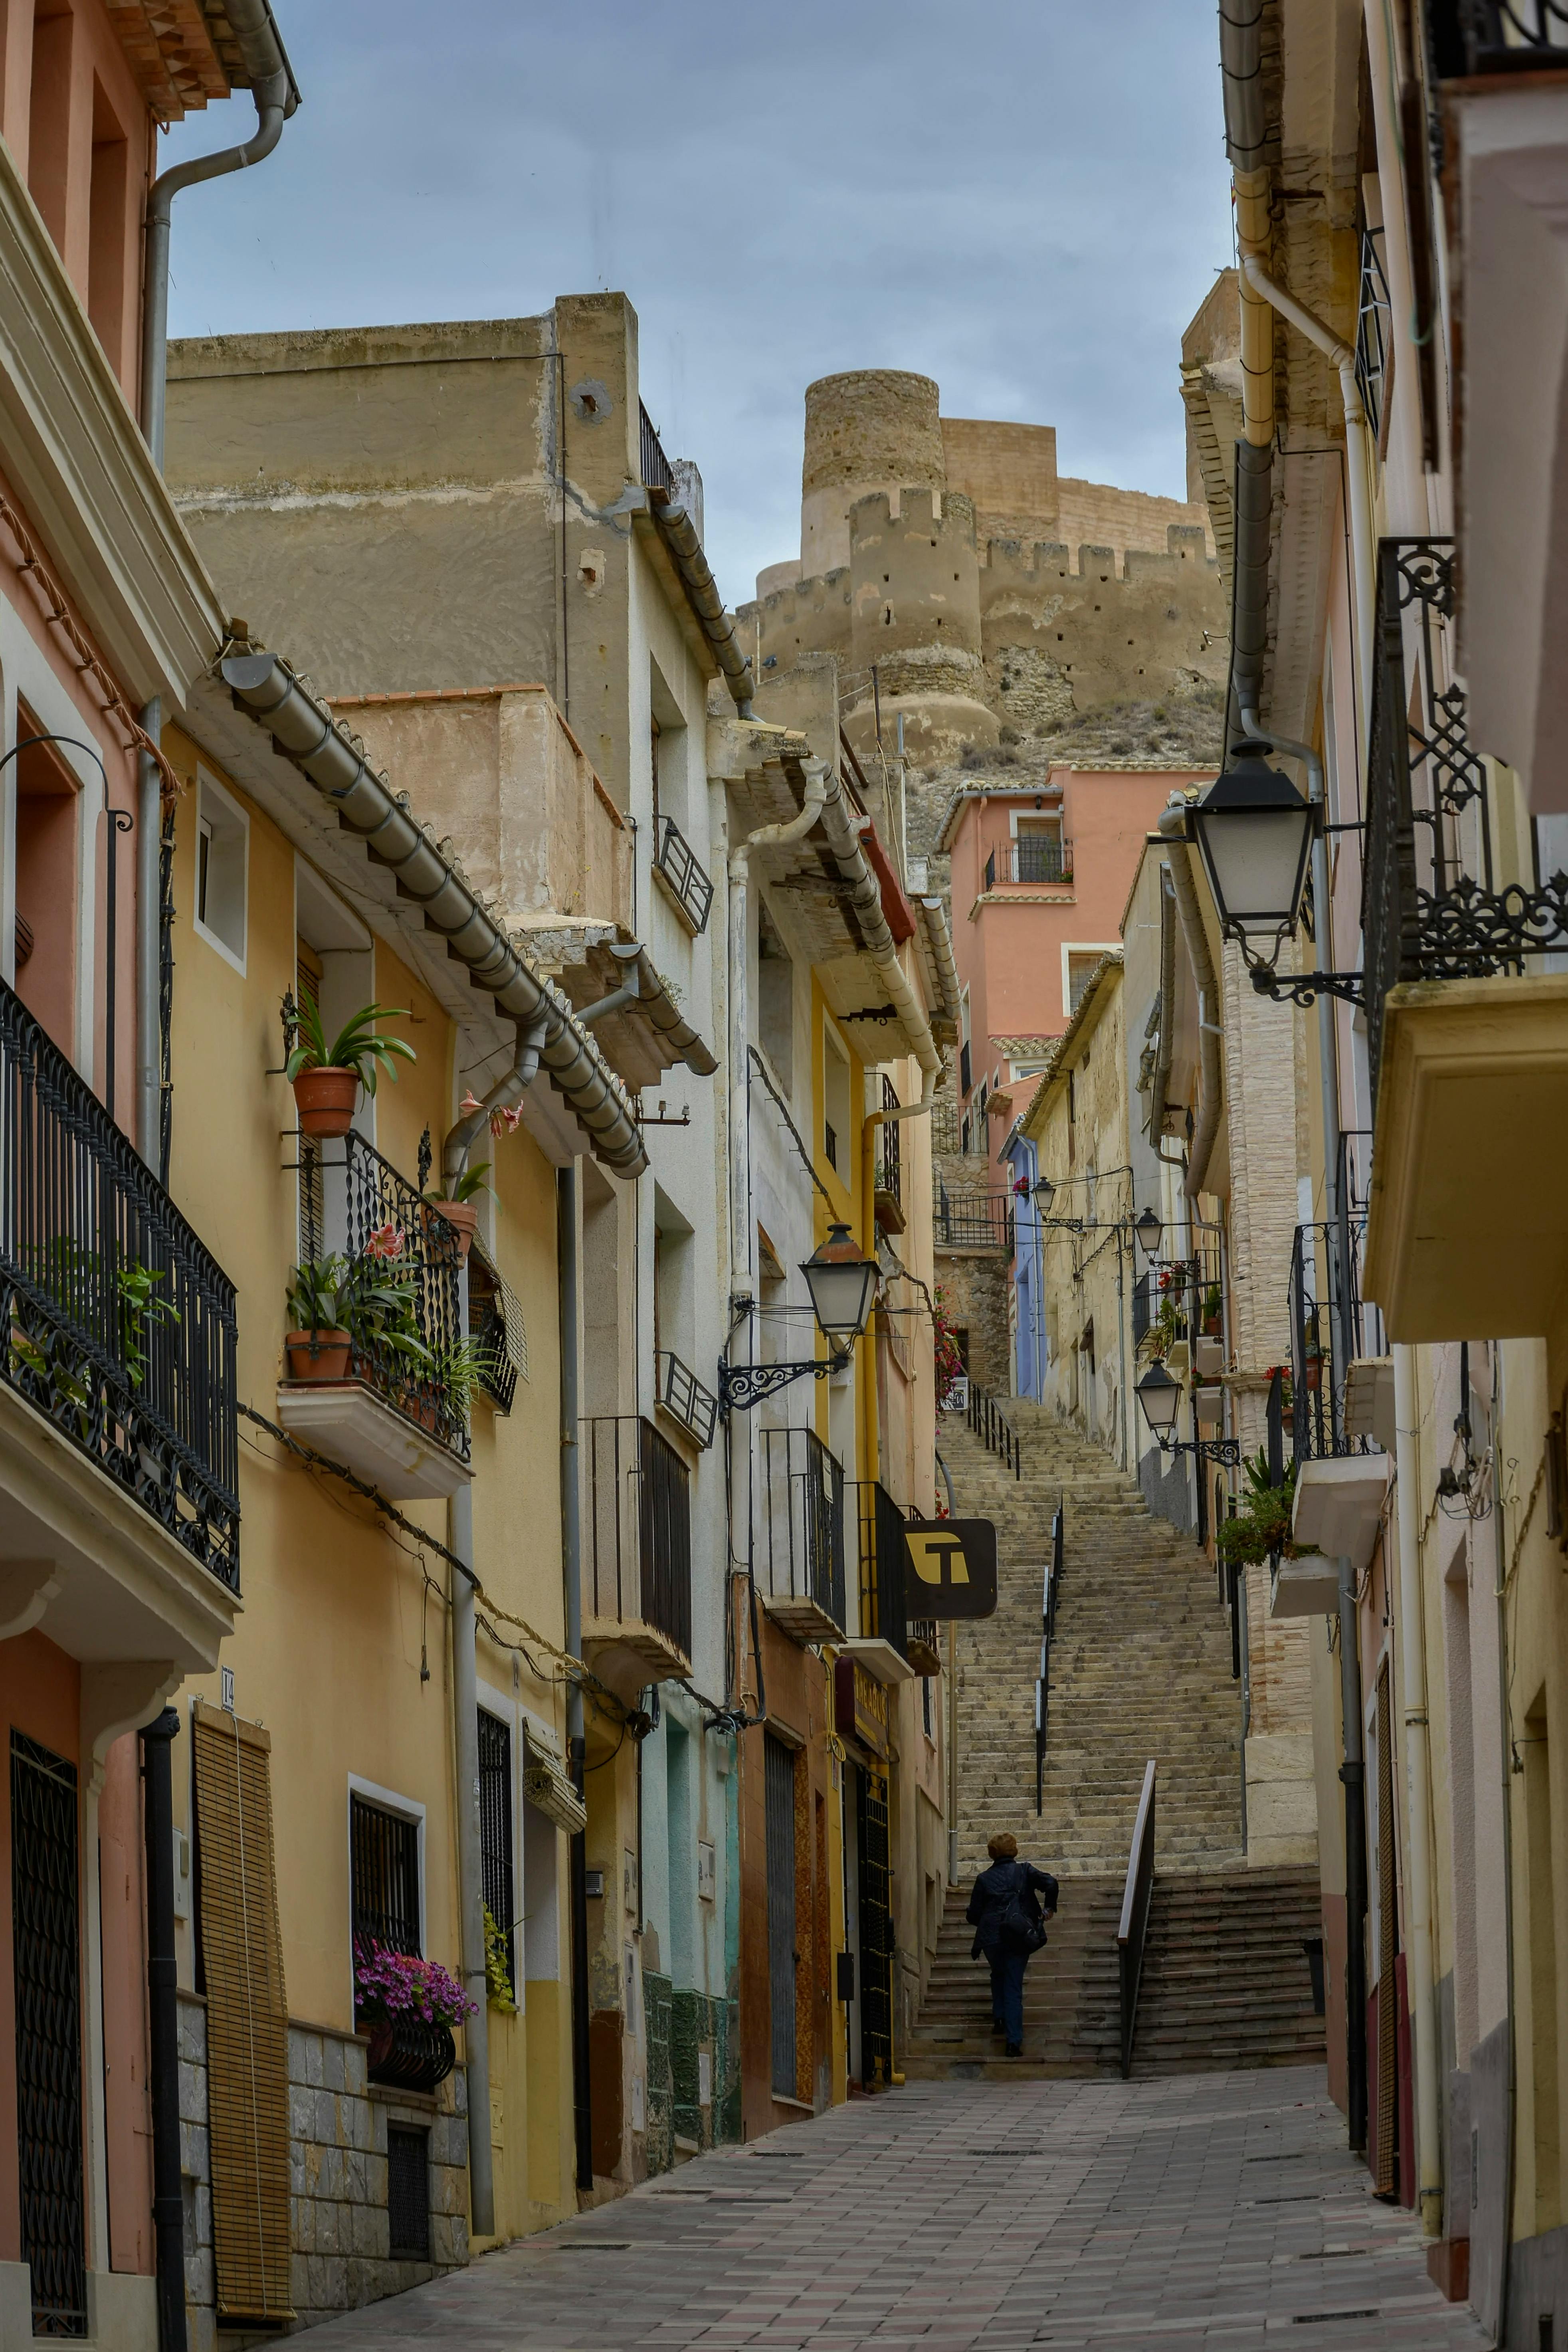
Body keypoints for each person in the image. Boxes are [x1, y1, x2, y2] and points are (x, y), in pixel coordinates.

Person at [966, 1831, 1058, 2057]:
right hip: (1018, 1935)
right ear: (1014, 1851)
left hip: (991, 1938)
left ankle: (999, 2017)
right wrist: (1049, 1908)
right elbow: (1051, 1883)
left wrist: (989, 1920)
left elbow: (973, 1915)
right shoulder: (1024, 1871)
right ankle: (1013, 2041)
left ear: (992, 1854)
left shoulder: (984, 1879)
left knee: (998, 1973)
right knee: (1013, 1985)